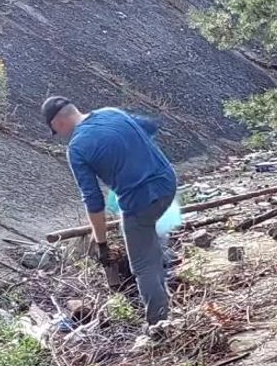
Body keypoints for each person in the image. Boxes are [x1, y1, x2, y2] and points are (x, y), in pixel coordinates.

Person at [41, 96, 177, 325]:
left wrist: (102, 243)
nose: (61, 135)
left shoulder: (77, 148)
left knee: (143, 266)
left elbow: (93, 200)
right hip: (167, 184)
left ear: (58, 123)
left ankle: (159, 324)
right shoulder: (112, 112)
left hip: (139, 201)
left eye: (56, 130)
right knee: (149, 238)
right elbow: (149, 126)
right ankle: (162, 269)